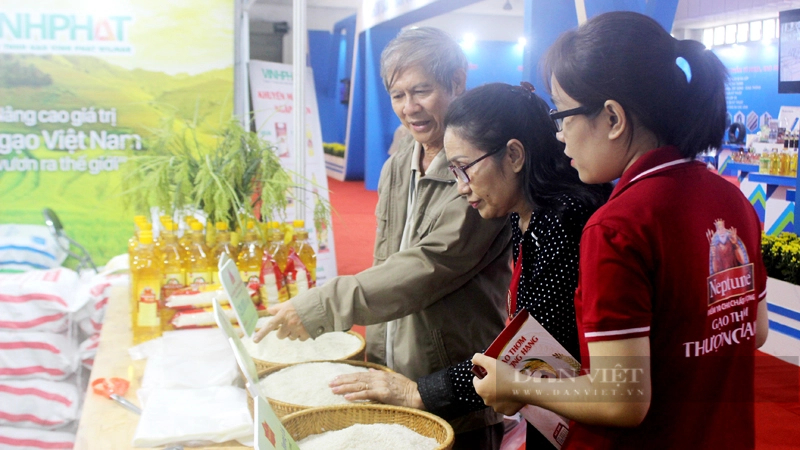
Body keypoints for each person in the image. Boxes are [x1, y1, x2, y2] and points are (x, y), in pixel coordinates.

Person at [472, 11, 770, 449]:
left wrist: (517, 385)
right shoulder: (730, 200)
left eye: (563, 115)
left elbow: (623, 398)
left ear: (613, 118)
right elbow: (755, 329)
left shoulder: (618, 226)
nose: (559, 136)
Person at [253, 27, 513, 448]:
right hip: (390, 376)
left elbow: (428, 267)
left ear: (458, 82)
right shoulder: (398, 163)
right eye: (397, 95)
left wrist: (325, 304)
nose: (410, 108)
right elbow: (385, 260)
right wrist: (373, 355)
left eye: (422, 91)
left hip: (452, 387)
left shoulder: (476, 171)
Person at [328, 82, 611, 449]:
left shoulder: (563, 221)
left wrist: (421, 392)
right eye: (397, 95)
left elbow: (535, 357)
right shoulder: (521, 212)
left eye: (463, 169)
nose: (460, 187)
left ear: (513, 155)